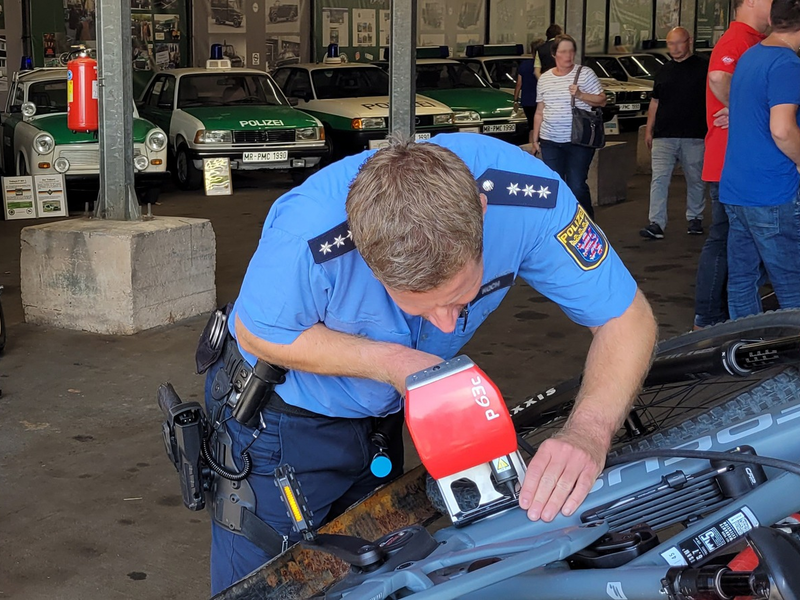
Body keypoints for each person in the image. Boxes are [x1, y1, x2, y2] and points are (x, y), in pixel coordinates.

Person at [204, 132, 657, 592]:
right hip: (280, 426)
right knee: (267, 588)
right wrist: (400, 364)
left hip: (383, 422)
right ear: (365, 255)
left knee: (378, 579)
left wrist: (588, 431)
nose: (446, 327)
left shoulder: (528, 199)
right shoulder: (309, 231)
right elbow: (260, 331)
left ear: (481, 212)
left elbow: (626, 317)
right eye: (421, 308)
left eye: (461, 298)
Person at [693, 0, 772, 329]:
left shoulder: (752, 40)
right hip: (729, 162)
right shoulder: (738, 38)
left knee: (737, 241)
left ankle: (719, 314)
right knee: (726, 239)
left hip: (735, 162)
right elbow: (718, 77)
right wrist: (745, 112)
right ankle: (709, 316)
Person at [719, 0, 800, 318]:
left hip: (737, 189)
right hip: (772, 191)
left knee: (741, 281)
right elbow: (781, 129)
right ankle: (789, 367)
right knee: (791, 285)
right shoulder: (787, 64)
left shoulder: (750, 57)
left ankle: (747, 359)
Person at [640, 27, 708, 239]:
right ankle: (656, 223)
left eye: (679, 43)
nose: (675, 48)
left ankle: (695, 218)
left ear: (689, 41)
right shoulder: (663, 70)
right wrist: (649, 129)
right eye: (670, 44)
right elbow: (655, 101)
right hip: (664, 135)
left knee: (696, 179)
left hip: (695, 134)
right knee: (659, 179)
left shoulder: (704, 67)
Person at [531, 34, 607, 220]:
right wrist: (535, 137)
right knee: (554, 185)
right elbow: (540, 110)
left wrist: (580, 95)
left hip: (578, 141)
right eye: (563, 52)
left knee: (576, 185)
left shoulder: (585, 73)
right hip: (550, 141)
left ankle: (587, 222)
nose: (568, 56)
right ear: (554, 54)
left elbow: (602, 100)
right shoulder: (545, 79)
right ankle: (560, 223)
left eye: (571, 51)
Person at [514, 39, 543, 149]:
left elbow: (519, 84)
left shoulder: (524, 65)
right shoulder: (542, 67)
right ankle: (538, 147)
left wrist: (515, 100)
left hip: (527, 101)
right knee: (540, 125)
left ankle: (531, 148)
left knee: (532, 126)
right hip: (540, 100)